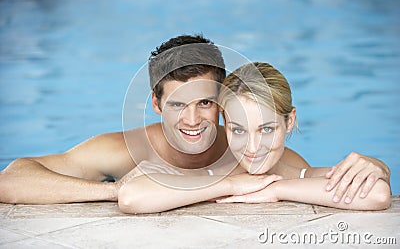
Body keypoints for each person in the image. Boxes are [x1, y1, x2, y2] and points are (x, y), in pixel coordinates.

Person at [0, 35, 389, 206]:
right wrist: (109, 192)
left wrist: (378, 165)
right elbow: (12, 179)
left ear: (222, 105)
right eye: (177, 105)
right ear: (155, 103)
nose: (193, 120)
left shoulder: (252, 153)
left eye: (205, 102)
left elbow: (335, 186)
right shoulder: (123, 150)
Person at [117, 62, 391, 213]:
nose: (252, 148)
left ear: (290, 121)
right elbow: (132, 196)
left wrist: (274, 190)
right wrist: (233, 185)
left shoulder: (296, 175)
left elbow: (378, 195)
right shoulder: (215, 173)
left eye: (267, 129)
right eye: (238, 130)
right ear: (225, 122)